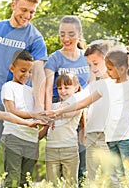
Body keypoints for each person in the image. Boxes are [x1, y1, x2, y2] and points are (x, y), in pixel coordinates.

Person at [45, 45, 129, 187]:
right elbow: (83, 102)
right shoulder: (105, 85)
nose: (106, 72)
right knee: (117, 176)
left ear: (120, 68)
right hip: (110, 138)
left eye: (109, 68)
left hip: (126, 138)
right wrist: (59, 111)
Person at [0, 0, 47, 183]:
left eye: (32, 12)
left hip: (19, 107)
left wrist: (39, 106)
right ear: (13, 5)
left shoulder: (35, 38)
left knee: (21, 161)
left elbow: (40, 74)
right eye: (24, 10)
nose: (27, 16)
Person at [44, 15, 90, 183]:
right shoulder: (54, 58)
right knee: (57, 171)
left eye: (70, 34)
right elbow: (48, 88)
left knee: (82, 167)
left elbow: (93, 87)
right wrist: (50, 116)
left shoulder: (87, 57)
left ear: (79, 33)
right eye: (62, 34)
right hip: (60, 117)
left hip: (83, 116)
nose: (66, 38)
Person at [0, 50, 47, 187]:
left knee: (25, 181)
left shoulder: (32, 91)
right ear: (12, 68)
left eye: (30, 72)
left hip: (31, 140)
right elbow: (11, 111)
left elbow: (39, 112)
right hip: (14, 137)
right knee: (13, 178)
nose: (26, 75)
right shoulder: (8, 86)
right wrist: (33, 116)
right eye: (23, 70)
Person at [39, 73, 85, 187]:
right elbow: (45, 123)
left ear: (76, 88)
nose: (62, 90)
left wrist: (54, 115)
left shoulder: (78, 104)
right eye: (59, 88)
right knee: (52, 184)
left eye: (67, 87)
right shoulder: (53, 106)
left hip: (69, 150)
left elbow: (70, 113)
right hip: (51, 149)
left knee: (71, 184)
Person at [83, 40, 113, 181]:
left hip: (107, 134)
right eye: (89, 65)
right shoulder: (94, 84)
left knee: (112, 175)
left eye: (95, 63)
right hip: (91, 133)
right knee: (91, 176)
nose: (93, 68)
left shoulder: (115, 83)